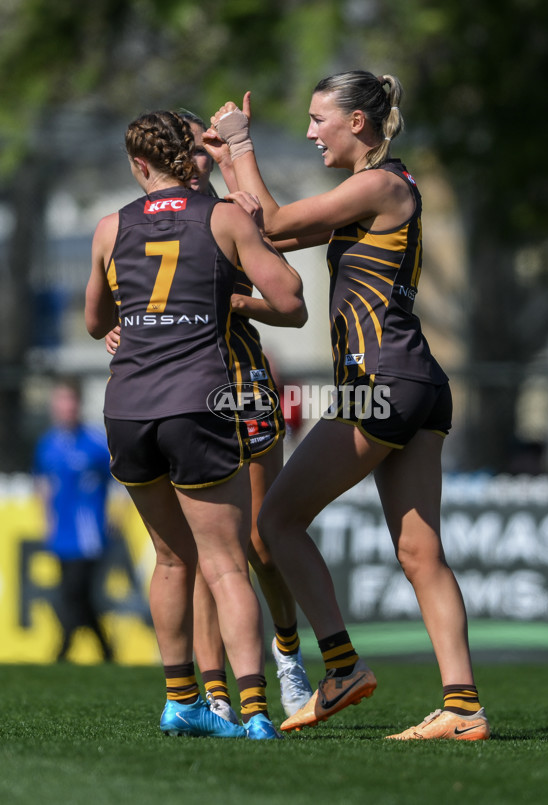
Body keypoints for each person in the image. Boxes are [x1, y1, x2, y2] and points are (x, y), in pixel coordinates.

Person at [208, 70, 490, 740]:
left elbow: (271, 222)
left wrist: (243, 141)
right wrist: (230, 167)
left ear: (357, 123)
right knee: (421, 552)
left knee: (274, 519)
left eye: (317, 120)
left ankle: (340, 666)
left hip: (382, 382)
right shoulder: (377, 190)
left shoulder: (381, 183)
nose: (309, 133)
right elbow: (270, 235)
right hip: (417, 381)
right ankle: (462, 705)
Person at [85, 109, 306, 740]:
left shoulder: (109, 226)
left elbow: (96, 323)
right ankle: (256, 710)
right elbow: (290, 299)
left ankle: (182, 699)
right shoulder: (225, 215)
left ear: (137, 164)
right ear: (192, 156)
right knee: (227, 563)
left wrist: (133, 325)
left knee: (171, 559)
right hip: (200, 400)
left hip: (127, 407)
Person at [33, 377, 114, 663]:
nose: (65, 407)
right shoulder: (47, 444)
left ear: (78, 405)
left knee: (75, 593)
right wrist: (47, 521)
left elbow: (116, 482)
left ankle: (63, 650)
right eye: (60, 401)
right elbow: (44, 484)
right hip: (61, 533)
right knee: (76, 596)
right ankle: (106, 650)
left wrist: (112, 517)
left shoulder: (94, 443)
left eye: (69, 400)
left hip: (89, 533)